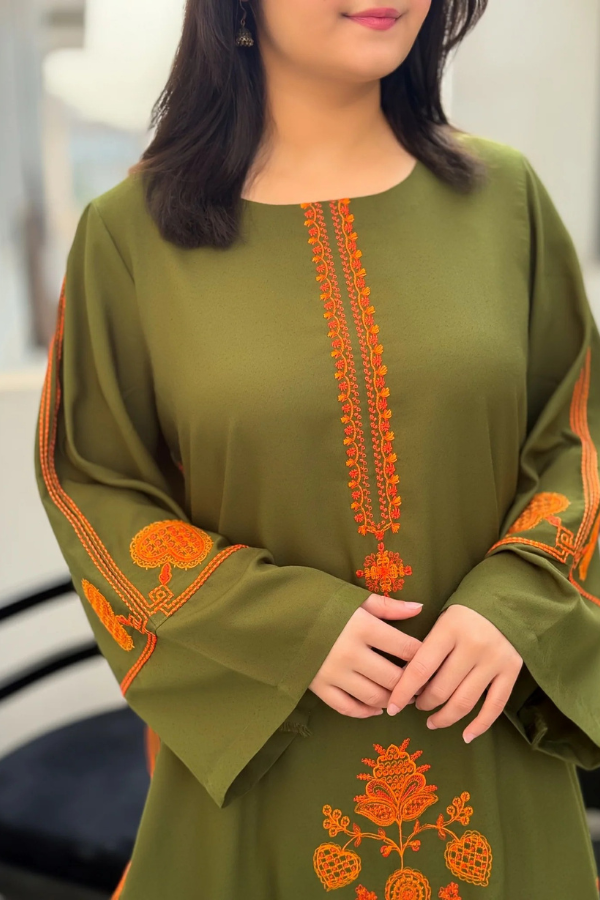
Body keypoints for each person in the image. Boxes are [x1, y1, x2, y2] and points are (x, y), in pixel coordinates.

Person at [35, 0, 600, 897]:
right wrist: (288, 628)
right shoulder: (132, 236)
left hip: (489, 750)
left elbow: (578, 432)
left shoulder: (505, 199)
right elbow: (96, 482)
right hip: (262, 756)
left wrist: (519, 598)